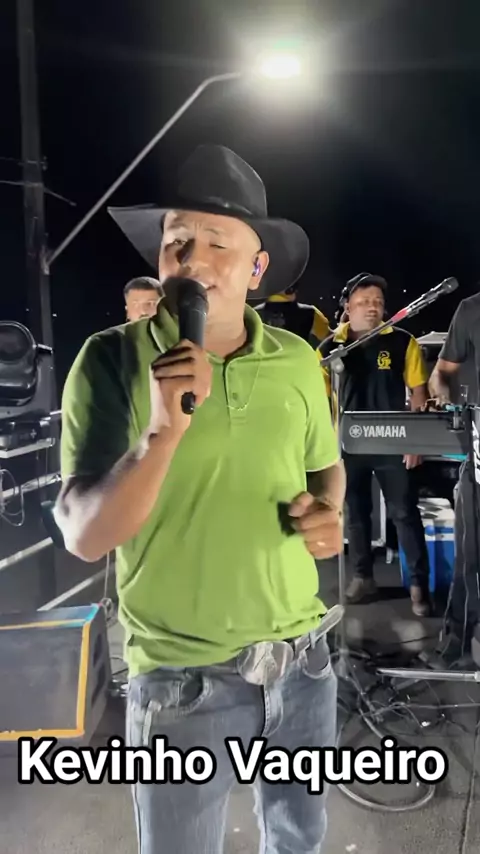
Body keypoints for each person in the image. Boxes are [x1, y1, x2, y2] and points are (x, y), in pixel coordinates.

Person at [55, 144, 345, 854]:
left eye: (217, 242)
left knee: (299, 842)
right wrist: (162, 433)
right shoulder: (111, 359)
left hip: (303, 665)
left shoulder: (297, 361)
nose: (191, 259)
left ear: (257, 268)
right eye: (176, 240)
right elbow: (85, 536)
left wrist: (327, 514)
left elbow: (325, 468)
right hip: (181, 684)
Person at [318, 272, 431, 616]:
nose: (372, 307)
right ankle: (362, 577)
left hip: (393, 443)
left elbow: (419, 394)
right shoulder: (330, 349)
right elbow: (319, 403)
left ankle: (418, 586)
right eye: (364, 302)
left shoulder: (402, 342)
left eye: (378, 302)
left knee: (404, 513)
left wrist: (416, 442)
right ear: (347, 306)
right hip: (348, 447)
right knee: (356, 515)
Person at [429, 294, 480, 660]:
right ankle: (457, 639)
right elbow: (442, 373)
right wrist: (448, 400)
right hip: (478, 450)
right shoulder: (472, 310)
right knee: (469, 556)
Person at [254, 283, 330, 345]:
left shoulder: (253, 313)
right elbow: (330, 338)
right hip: (300, 359)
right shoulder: (310, 312)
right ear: (291, 289)